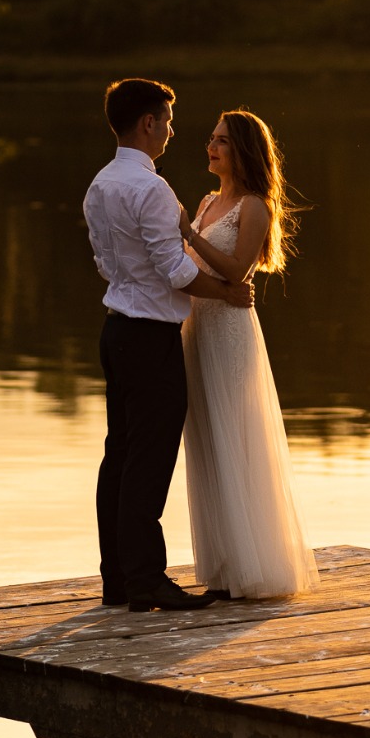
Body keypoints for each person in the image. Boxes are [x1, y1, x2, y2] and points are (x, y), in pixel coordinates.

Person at [84, 77, 255, 614]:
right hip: (151, 338)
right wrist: (226, 293)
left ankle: (117, 578)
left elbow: (105, 264)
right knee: (149, 461)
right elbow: (176, 271)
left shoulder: (99, 185)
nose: (173, 132)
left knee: (119, 455)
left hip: (116, 331)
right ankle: (147, 580)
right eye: (169, 121)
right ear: (148, 124)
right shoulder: (150, 189)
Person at [178, 110, 319, 600]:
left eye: (221, 142)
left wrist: (189, 234)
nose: (210, 148)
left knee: (235, 435)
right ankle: (222, 569)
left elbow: (238, 272)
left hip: (230, 333)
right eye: (210, 139)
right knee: (207, 441)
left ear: (242, 151)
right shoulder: (206, 201)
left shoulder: (254, 206)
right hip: (197, 330)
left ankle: (253, 568)